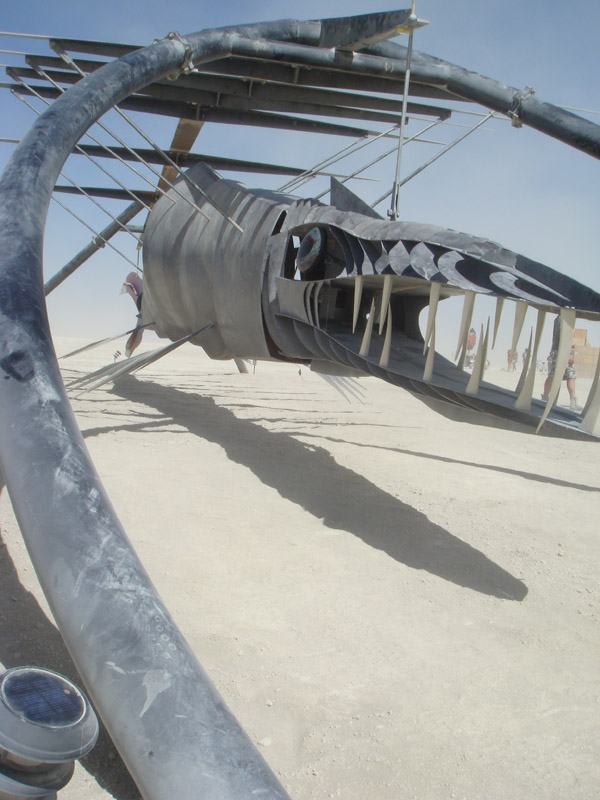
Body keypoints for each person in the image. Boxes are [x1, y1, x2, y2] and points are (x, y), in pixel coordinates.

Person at [542, 315, 581, 411]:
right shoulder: (564, 317)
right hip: (560, 351)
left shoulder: (561, 317)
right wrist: (566, 354)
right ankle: (546, 397)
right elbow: (563, 335)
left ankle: (546, 397)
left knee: (570, 374)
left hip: (559, 350)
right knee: (556, 375)